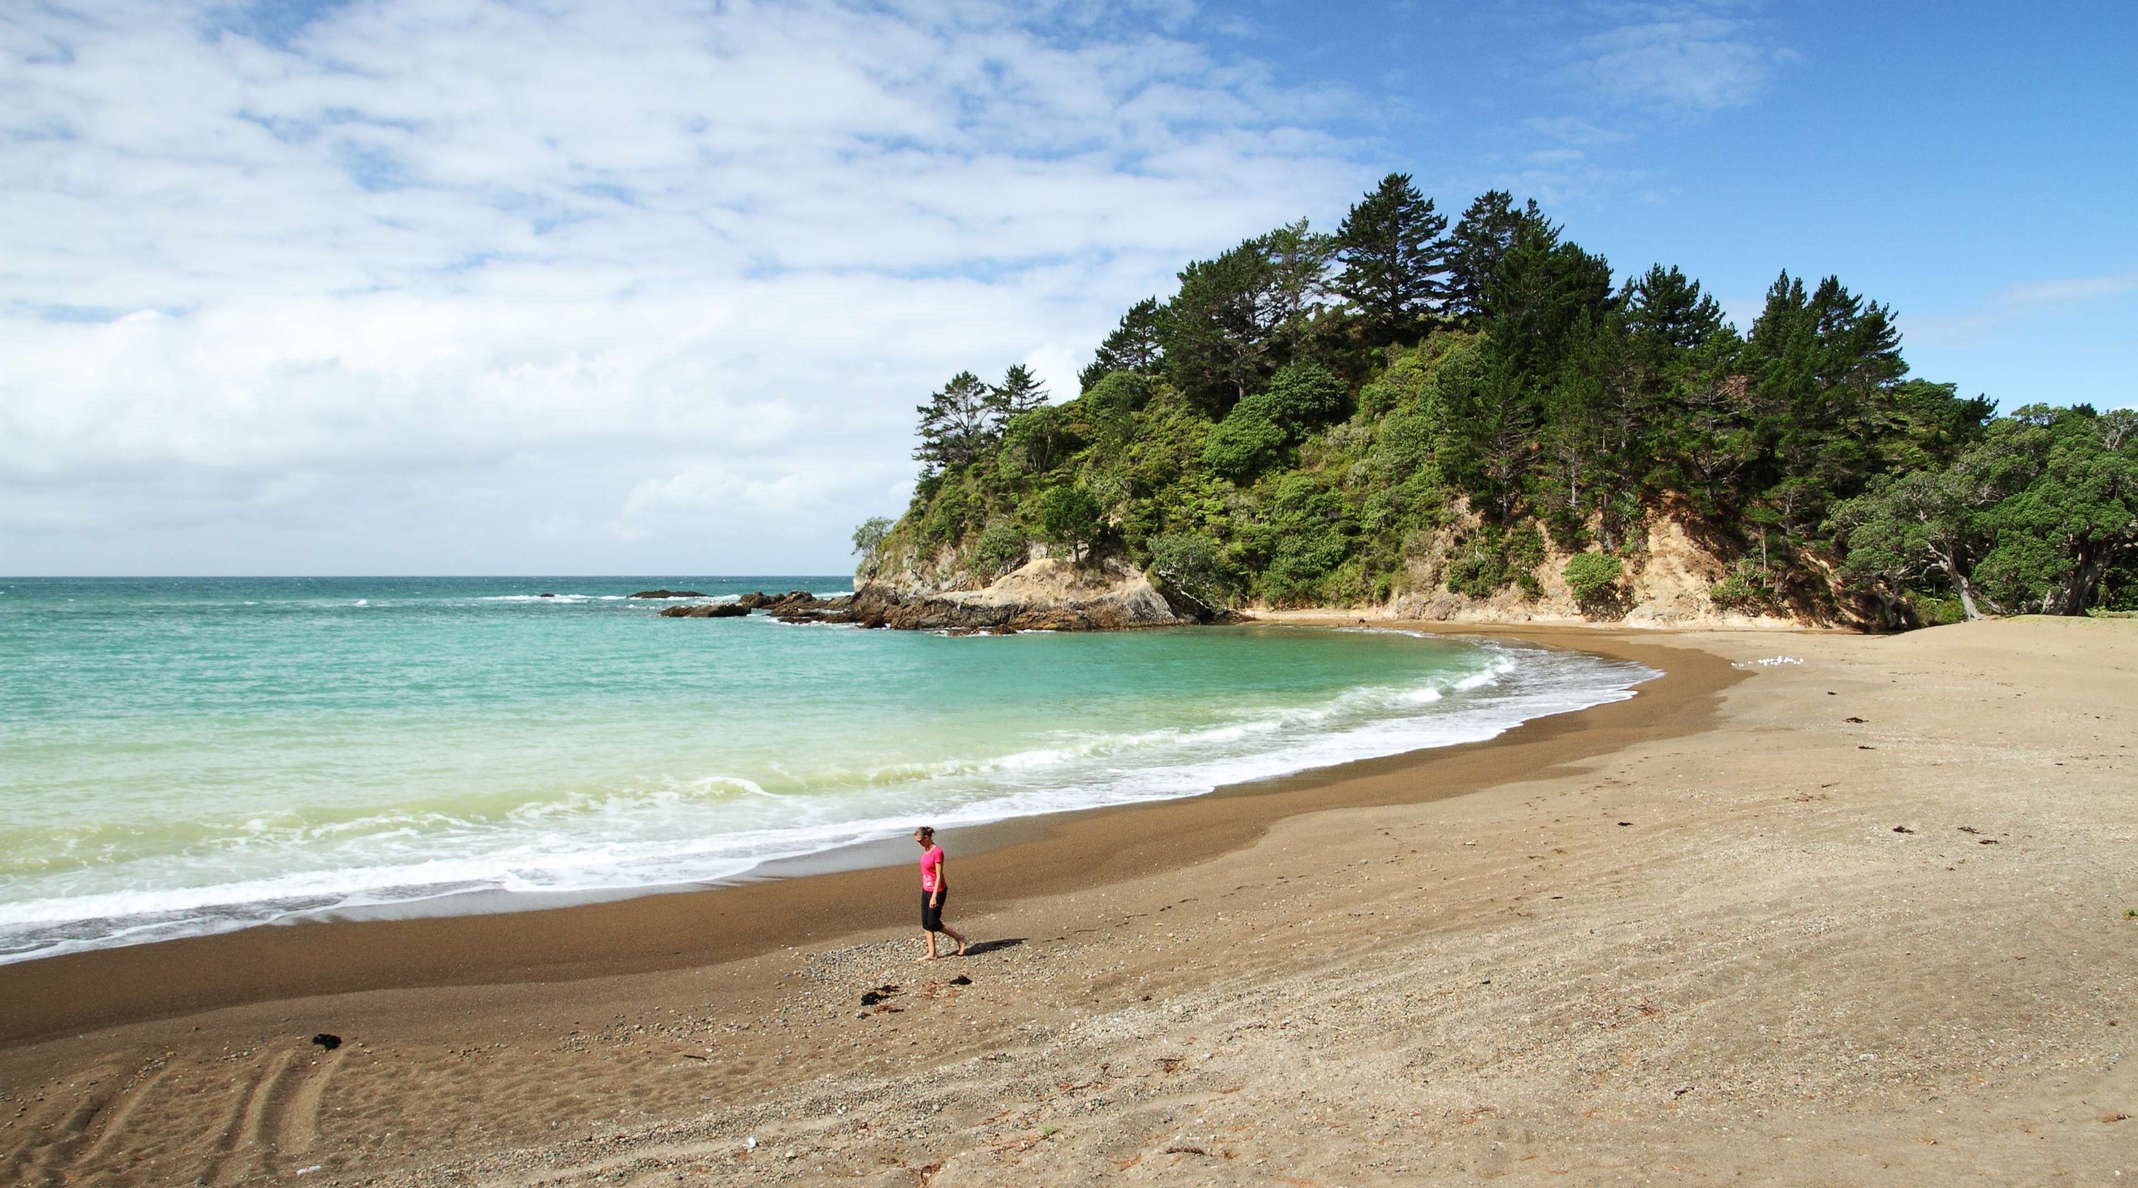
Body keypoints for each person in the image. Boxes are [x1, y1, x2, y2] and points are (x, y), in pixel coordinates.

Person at [913, 825, 968, 960]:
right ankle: (932, 953)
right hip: (925, 889)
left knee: (933, 922)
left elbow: (938, 875)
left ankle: (960, 938)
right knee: (925, 923)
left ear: (927, 837)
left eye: (920, 841)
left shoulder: (937, 852)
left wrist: (934, 897)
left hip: (937, 891)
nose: (919, 844)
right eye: (917, 842)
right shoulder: (926, 850)